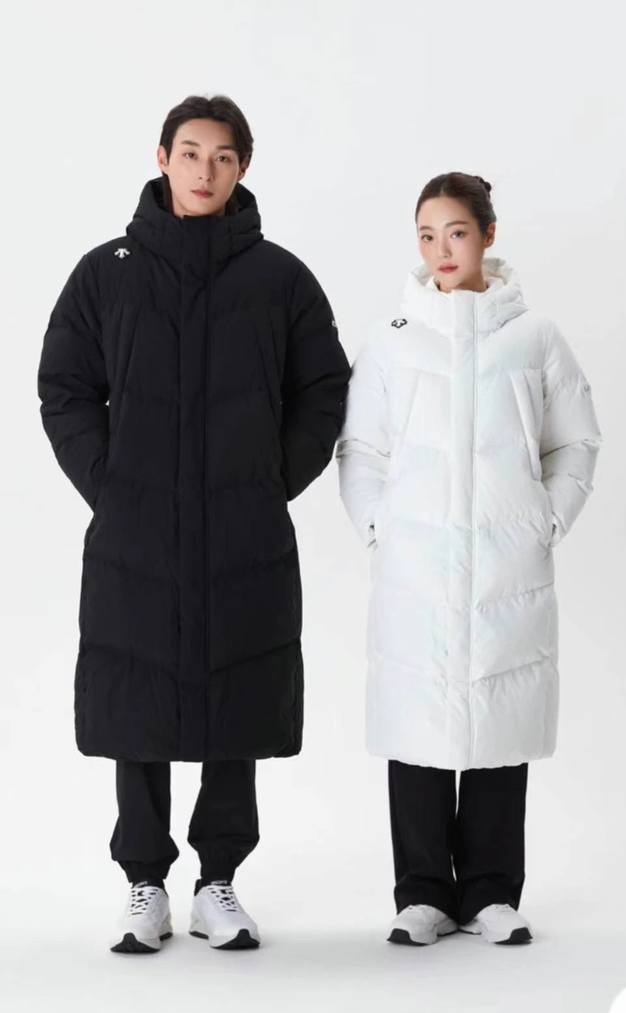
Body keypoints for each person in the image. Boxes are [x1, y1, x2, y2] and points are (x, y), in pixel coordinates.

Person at [37, 93, 350, 954]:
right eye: (190, 153)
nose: (204, 171)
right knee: (137, 697)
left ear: (242, 166)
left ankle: (219, 882)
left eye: (222, 156)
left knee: (235, 695)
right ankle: (144, 882)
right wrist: (111, 482)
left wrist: (270, 480)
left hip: (243, 531)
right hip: (136, 532)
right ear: (162, 157)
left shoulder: (280, 278)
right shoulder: (107, 272)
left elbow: (324, 388)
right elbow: (64, 385)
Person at [336, 172, 601, 947]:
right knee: (417, 716)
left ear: (488, 233)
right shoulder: (393, 338)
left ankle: (491, 891)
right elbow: (361, 448)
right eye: (427, 235)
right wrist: (380, 524)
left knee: (498, 714)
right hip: (416, 565)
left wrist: (546, 519)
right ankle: (421, 892)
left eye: (455, 232)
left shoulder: (535, 337)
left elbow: (576, 441)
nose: (441, 250)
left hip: (505, 563)